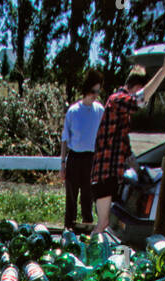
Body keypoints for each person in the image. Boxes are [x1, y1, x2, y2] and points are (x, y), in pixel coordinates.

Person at [90, 49, 165, 234]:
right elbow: (139, 100)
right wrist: (164, 71)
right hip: (104, 173)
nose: (142, 94)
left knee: (105, 224)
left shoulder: (121, 111)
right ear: (134, 86)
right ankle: (87, 255)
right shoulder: (117, 100)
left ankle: (95, 252)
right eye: (140, 89)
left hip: (108, 173)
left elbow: (123, 143)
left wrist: (138, 168)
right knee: (103, 223)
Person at [60, 70, 104, 230]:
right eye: (93, 91)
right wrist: (62, 164)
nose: (95, 95)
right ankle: (68, 230)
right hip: (74, 158)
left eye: (98, 92)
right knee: (71, 198)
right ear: (86, 90)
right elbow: (65, 139)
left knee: (88, 197)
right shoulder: (73, 111)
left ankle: (87, 230)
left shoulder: (99, 110)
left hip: (91, 159)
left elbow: (104, 136)